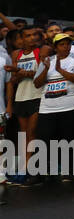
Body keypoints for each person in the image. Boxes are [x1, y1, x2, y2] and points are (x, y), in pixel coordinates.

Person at [34, 33, 74, 181]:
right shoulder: (47, 61)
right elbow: (37, 83)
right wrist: (46, 69)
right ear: (55, 47)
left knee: (69, 139)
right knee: (43, 140)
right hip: (47, 107)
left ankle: (70, 170)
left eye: (68, 44)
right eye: (62, 44)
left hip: (69, 106)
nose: (66, 47)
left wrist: (61, 70)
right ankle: (40, 173)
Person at [4, 27, 43, 184]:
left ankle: (30, 169)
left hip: (37, 96)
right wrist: (9, 104)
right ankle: (23, 168)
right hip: (21, 98)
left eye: (34, 35)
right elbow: (13, 80)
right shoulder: (16, 54)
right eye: (28, 36)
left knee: (32, 134)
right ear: (21, 39)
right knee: (23, 135)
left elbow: (40, 76)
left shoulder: (42, 51)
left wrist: (19, 71)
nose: (32, 38)